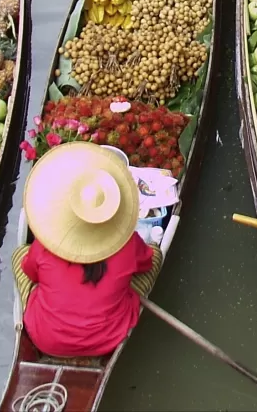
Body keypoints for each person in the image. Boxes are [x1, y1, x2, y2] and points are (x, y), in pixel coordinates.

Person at [12, 142, 162, 357]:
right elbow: (146, 262)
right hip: (108, 338)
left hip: (46, 337)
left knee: (20, 254)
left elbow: (30, 272)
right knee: (155, 253)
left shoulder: (46, 245)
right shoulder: (128, 244)